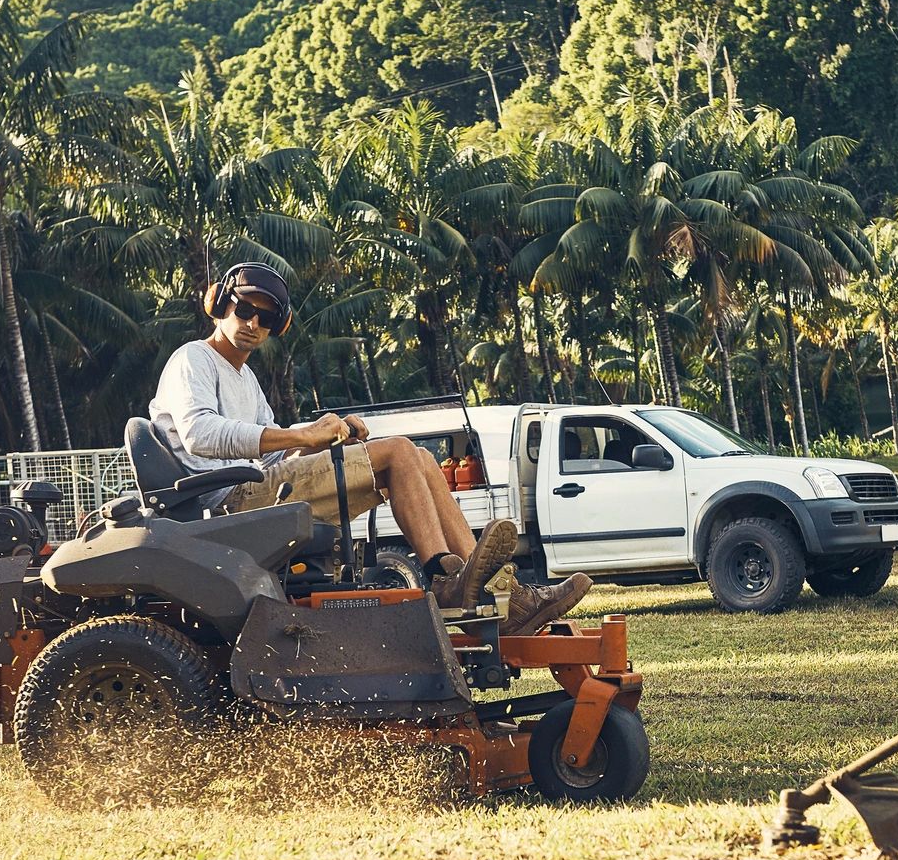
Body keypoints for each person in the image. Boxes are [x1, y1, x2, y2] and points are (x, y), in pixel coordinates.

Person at [148, 262, 590, 635]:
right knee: (397, 451)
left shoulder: (245, 378)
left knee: (419, 458)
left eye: (265, 318)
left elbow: (273, 455)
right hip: (228, 503)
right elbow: (200, 435)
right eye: (244, 310)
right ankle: (446, 580)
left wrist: (329, 435)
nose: (252, 324)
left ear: (276, 327)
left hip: (256, 487)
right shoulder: (193, 359)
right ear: (219, 305)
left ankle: (504, 596)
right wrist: (304, 436)